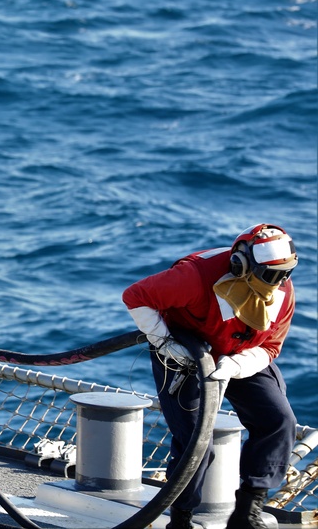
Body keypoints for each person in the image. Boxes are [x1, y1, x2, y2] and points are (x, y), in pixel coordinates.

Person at [123, 224, 298, 529]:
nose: (279, 283)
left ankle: (248, 513)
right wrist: (165, 341)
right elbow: (136, 296)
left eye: (285, 273)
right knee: (196, 441)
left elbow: (270, 347)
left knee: (278, 421)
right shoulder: (194, 277)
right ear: (241, 265)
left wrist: (235, 366)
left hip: (242, 355)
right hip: (184, 354)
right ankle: (181, 520)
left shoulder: (282, 290)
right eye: (270, 276)